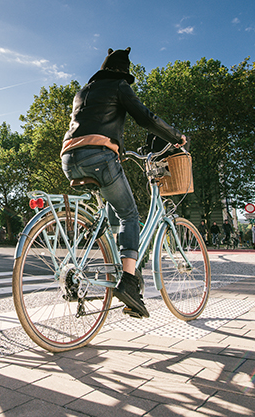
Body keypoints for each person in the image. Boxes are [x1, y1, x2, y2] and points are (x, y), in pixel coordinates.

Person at [61, 47, 186, 318]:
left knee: (113, 213)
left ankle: (121, 266)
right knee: (130, 214)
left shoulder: (82, 92)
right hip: (99, 157)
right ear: (121, 72)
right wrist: (175, 136)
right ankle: (129, 283)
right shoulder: (119, 86)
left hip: (69, 158)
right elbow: (144, 117)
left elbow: (92, 123)